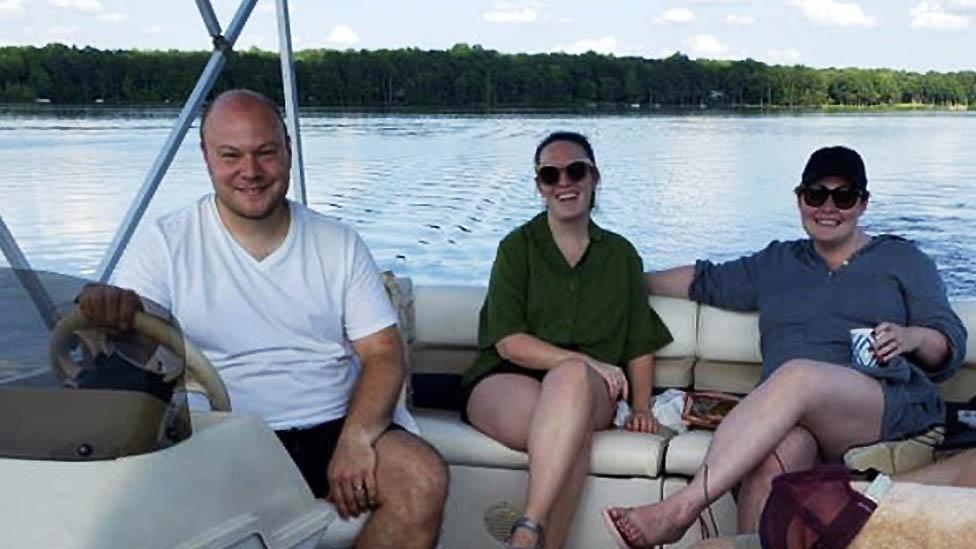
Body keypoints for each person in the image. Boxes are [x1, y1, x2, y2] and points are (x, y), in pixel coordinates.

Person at [77, 89, 448, 549]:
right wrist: (108, 312)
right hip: (220, 437)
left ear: (288, 150)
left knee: (422, 478)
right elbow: (135, 339)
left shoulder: (338, 243)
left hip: (332, 425)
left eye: (265, 153)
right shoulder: (165, 243)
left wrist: (357, 437)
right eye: (231, 155)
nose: (250, 172)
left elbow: (383, 353)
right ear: (206, 157)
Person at [602, 145, 968, 548]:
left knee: (796, 374)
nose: (828, 207)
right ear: (799, 199)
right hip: (798, 417)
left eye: (843, 196)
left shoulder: (903, 259)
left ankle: (680, 510)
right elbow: (702, 281)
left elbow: (947, 343)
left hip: (883, 406)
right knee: (773, 457)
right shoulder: (778, 262)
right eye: (816, 194)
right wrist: (622, 281)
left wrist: (910, 337)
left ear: (862, 204)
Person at [461, 131, 674, 549]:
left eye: (575, 170)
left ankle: (528, 528)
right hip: (506, 381)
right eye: (550, 175)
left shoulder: (621, 256)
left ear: (594, 177)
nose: (564, 183)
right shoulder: (516, 248)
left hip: (590, 393)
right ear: (539, 185)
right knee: (569, 427)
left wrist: (643, 408)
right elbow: (507, 341)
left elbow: (638, 340)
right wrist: (589, 363)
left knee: (571, 386)